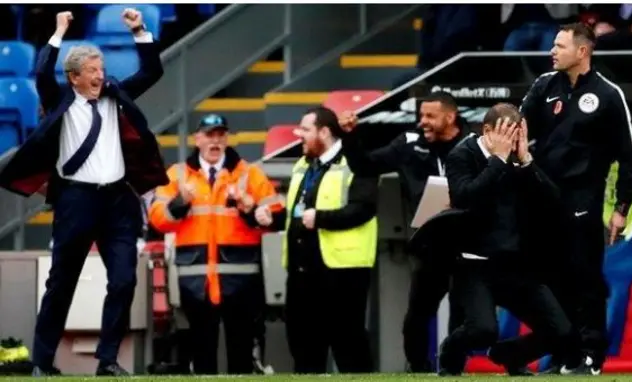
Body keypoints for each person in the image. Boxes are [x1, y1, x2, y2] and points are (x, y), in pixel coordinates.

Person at [0, 9, 166, 376]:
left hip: (118, 201)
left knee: (124, 278)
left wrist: (139, 30)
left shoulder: (116, 95)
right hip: (76, 201)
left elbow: (153, 71)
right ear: (74, 77)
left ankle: (107, 361)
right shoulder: (60, 99)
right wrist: (59, 31)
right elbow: (42, 71)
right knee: (62, 283)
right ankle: (43, 362)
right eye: (92, 71)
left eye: (102, 69)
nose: (100, 76)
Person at [518, 22, 632, 374]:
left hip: (584, 196)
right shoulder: (543, 86)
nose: (552, 51)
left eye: (560, 46)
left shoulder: (608, 93)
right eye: (554, 45)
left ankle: (591, 355)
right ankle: (561, 352)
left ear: (582, 51)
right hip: (544, 198)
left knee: (585, 279)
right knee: (552, 280)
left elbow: (626, 157)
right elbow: (520, 132)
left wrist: (621, 208)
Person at [439, 103, 588, 376]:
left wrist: (526, 162)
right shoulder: (463, 154)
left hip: (516, 263)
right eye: (508, 134)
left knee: (562, 332)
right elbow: (465, 197)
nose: (514, 141)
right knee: (483, 330)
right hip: (475, 264)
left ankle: (509, 355)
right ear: (487, 131)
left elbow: (553, 202)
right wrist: (497, 160)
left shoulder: (518, 159)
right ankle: (451, 350)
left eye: (518, 134)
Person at [339, 91, 470, 372]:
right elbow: (365, 165)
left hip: (469, 243)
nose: (423, 122)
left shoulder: (473, 143)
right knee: (417, 316)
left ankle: (453, 370)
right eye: (421, 116)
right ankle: (418, 369)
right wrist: (350, 137)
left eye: (430, 116)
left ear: (451, 117)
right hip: (429, 245)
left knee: (462, 314)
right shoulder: (408, 144)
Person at [148, 113, 282, 375]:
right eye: (209, 135)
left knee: (241, 352)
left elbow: (274, 215)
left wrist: (249, 207)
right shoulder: (177, 175)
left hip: (241, 279)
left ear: (227, 138)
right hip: (195, 279)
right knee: (202, 353)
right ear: (197, 139)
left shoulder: (249, 173)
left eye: (220, 135)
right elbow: (157, 220)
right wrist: (180, 203)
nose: (215, 141)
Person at [254, 106, 378, 374]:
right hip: (302, 270)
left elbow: (365, 209)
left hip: (343, 270)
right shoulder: (303, 165)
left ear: (324, 132)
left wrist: (321, 219)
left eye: (306, 130)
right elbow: (297, 213)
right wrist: (271, 219)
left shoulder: (356, 161)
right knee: (303, 346)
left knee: (348, 345)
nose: (300, 136)